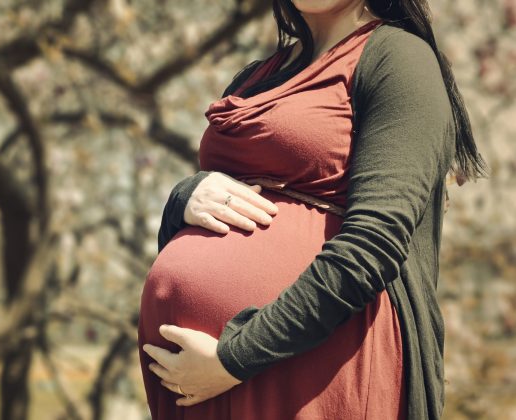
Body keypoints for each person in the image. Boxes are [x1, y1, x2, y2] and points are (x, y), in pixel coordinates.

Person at [138, 0, 488, 419]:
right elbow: (221, 201)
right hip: (203, 378)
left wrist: (236, 358)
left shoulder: (399, 59)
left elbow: (374, 245)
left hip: (307, 364)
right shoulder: (257, 76)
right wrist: (184, 197)